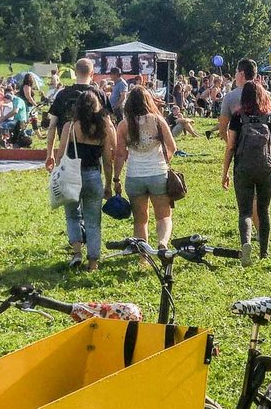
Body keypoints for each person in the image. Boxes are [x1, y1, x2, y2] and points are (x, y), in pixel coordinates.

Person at [221, 81, 271, 264]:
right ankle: (264, 252)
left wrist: (225, 172)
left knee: (245, 212)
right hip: (266, 167)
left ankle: (246, 244)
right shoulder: (270, 117)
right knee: (264, 212)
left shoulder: (238, 117)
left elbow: (231, 146)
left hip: (243, 168)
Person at [54, 91, 115, 271]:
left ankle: (77, 253)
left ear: (77, 107)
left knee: (72, 216)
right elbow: (108, 160)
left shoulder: (70, 127)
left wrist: (58, 171)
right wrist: (109, 184)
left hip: (72, 176)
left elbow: (60, 155)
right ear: (97, 107)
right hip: (93, 176)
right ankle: (93, 262)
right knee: (93, 221)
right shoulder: (103, 127)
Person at [114, 86, 175, 250]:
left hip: (134, 176)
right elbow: (172, 146)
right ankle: (162, 243)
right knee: (163, 216)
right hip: (157, 173)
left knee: (140, 220)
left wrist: (116, 178)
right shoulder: (157, 120)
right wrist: (165, 160)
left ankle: (144, 256)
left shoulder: (123, 125)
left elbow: (119, 154)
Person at [45, 59, 110, 171]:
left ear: (75, 72)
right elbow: (108, 126)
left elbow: (52, 126)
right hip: (93, 151)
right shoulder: (100, 95)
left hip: (67, 148)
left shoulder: (62, 94)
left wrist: (50, 153)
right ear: (92, 73)